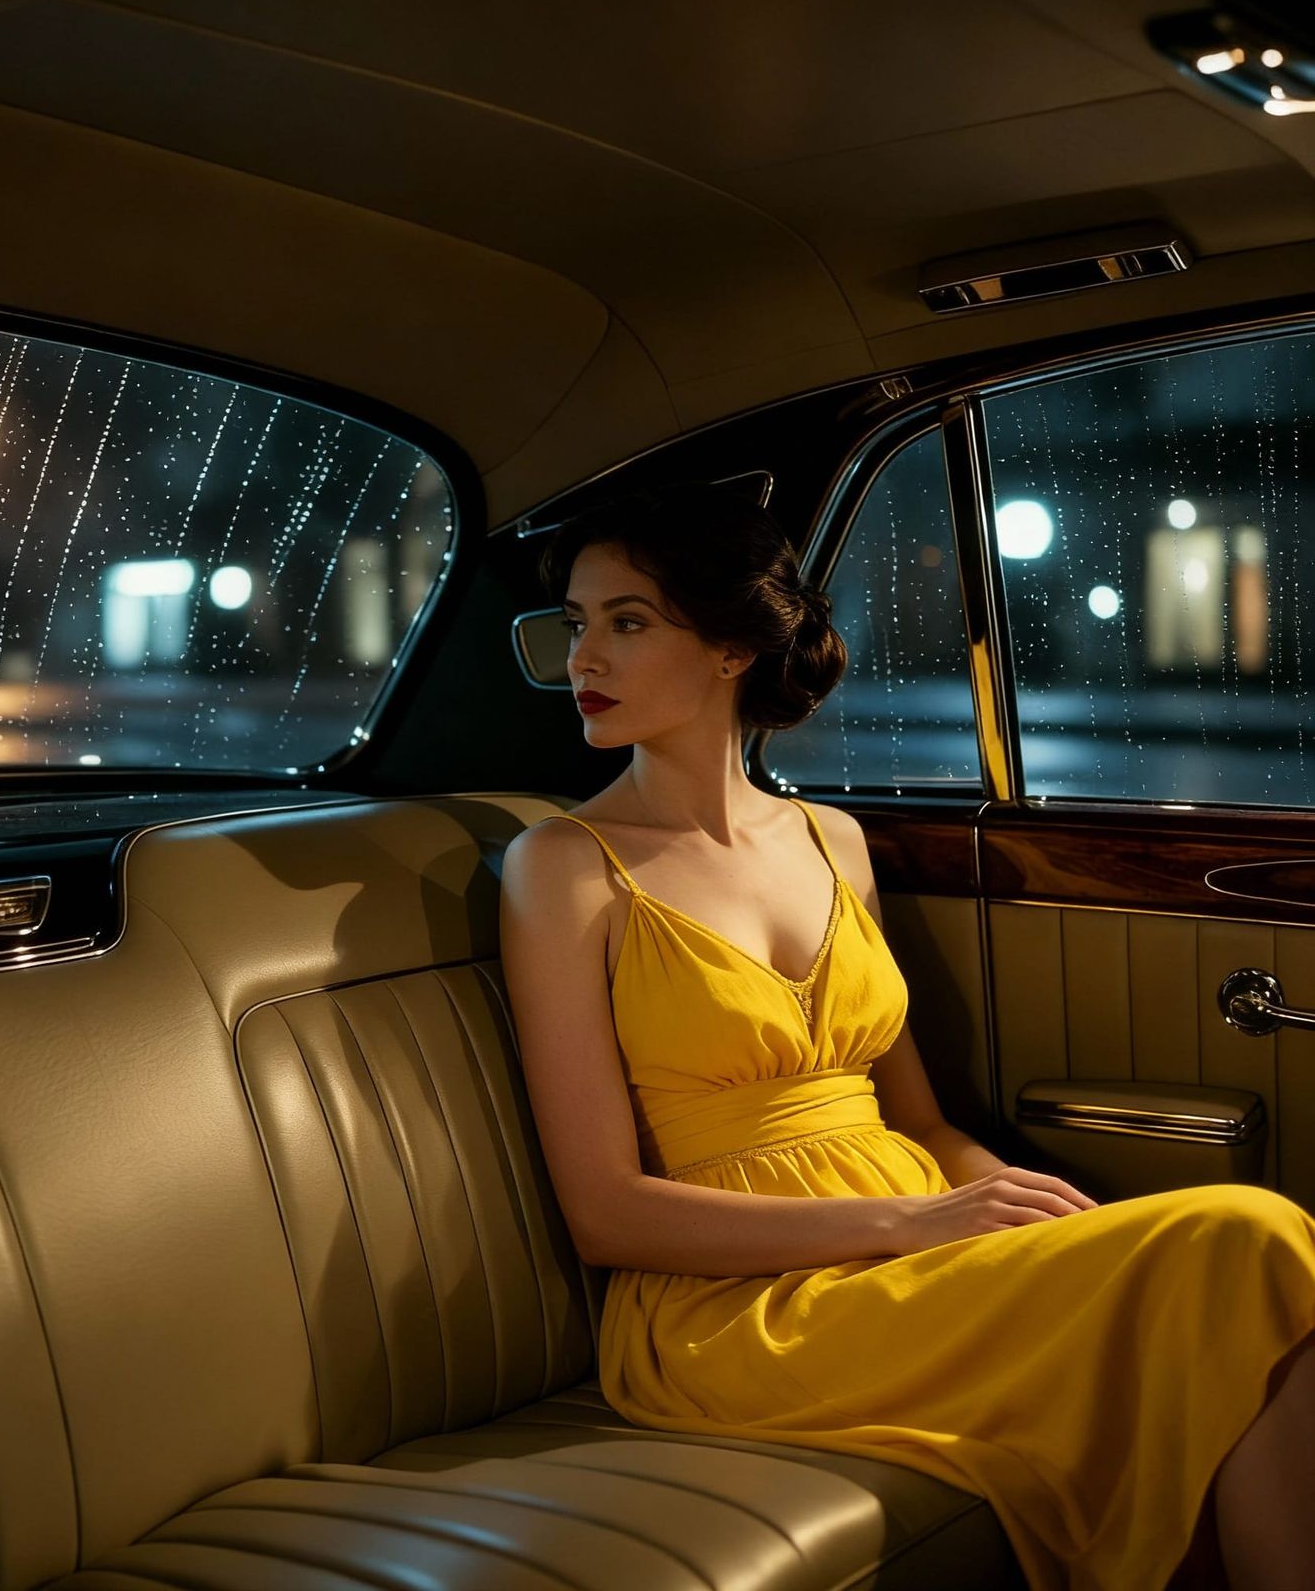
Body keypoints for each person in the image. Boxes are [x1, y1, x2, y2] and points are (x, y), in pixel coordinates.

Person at [496, 482, 1315, 1591]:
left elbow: (918, 1119)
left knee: (1232, 1276)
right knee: (1254, 1235)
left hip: (907, 1244)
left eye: (626, 621)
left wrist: (1036, 1223)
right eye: (577, 622)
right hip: (740, 1312)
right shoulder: (563, 865)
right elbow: (603, 1212)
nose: (581, 656)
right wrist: (913, 1221)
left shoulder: (832, 841)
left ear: (734, 646)